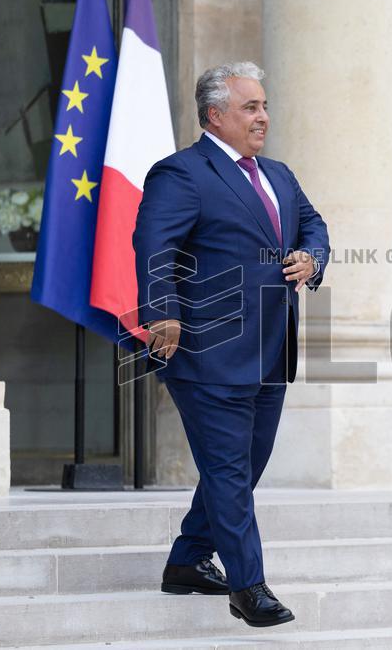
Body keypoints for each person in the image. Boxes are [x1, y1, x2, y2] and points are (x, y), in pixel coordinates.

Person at [133, 61, 330, 627]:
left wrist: (311, 256)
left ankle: (188, 559)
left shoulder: (280, 175)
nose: (264, 116)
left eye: (264, 106)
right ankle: (249, 587)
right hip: (205, 351)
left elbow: (313, 224)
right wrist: (162, 315)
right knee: (227, 470)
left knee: (243, 465)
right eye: (251, 107)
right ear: (215, 115)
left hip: (271, 350)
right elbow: (153, 246)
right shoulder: (181, 174)